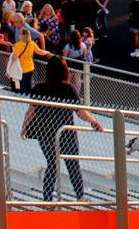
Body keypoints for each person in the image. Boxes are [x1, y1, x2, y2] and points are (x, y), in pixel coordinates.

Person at [22, 55, 104, 201]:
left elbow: (31, 110)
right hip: (67, 133)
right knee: (73, 165)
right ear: (64, 71)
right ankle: (80, 196)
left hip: (45, 133)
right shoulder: (68, 89)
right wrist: (93, 121)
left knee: (52, 165)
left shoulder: (39, 88)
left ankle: (47, 200)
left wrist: (24, 127)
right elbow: (80, 112)